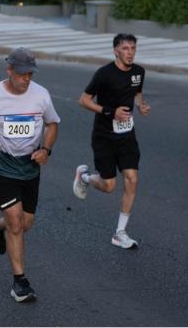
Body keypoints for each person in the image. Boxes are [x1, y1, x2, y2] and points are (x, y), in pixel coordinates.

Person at [0, 48, 60, 303]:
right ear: (9, 71)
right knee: (16, 223)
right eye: (21, 74)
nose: (26, 79)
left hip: (29, 165)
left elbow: (53, 123)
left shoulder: (41, 95)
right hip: (0, 165)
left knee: (25, 223)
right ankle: (20, 282)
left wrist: (46, 150)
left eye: (30, 73)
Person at [73, 33, 151, 249]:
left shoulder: (139, 72)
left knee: (132, 178)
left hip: (127, 135)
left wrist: (141, 105)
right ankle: (85, 176)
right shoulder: (104, 74)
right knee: (108, 186)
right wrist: (110, 112)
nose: (130, 52)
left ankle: (120, 232)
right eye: (125, 48)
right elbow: (84, 100)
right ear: (116, 50)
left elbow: (137, 93)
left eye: (133, 48)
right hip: (104, 136)